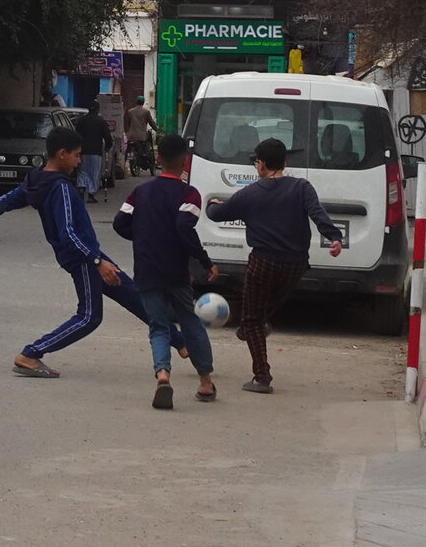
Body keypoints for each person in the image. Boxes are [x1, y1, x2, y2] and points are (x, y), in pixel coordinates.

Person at [0, 126, 156, 377]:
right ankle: (31, 354)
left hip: (87, 255)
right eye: (76, 156)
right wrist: (97, 261)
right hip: (83, 258)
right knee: (89, 316)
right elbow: (69, 232)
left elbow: (6, 201)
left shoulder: (37, 180)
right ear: (62, 154)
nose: (78, 162)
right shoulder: (59, 188)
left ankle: (184, 344)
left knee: (134, 297)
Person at [205, 137, 343, 392]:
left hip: (263, 262)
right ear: (285, 162)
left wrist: (212, 205)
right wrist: (334, 238)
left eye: (256, 161)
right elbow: (318, 213)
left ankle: (261, 377)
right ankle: (253, 328)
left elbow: (216, 215)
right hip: (296, 265)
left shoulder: (250, 193)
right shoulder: (302, 187)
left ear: (261, 164)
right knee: (262, 311)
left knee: (251, 318)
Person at [112, 133, 217, 408]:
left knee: (158, 326)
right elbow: (184, 226)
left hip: (147, 269)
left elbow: (120, 222)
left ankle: (162, 374)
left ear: (157, 160)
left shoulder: (142, 191)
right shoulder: (188, 193)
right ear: (186, 161)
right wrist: (205, 261)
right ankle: (205, 383)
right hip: (176, 272)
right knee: (191, 322)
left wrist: (145, 236)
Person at [72, 102, 113, 199]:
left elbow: (76, 134)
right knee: (94, 172)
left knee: (82, 170)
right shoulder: (101, 121)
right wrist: (108, 146)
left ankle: (81, 186)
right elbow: (107, 136)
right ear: (98, 110)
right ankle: (91, 194)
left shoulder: (81, 120)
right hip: (96, 151)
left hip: (82, 150)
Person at [123, 95, 156, 176]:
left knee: (128, 149)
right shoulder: (146, 112)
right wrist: (156, 129)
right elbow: (151, 122)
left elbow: (128, 122)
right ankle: (145, 158)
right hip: (141, 136)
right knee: (147, 148)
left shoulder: (130, 111)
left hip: (131, 136)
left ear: (136, 102)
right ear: (143, 102)